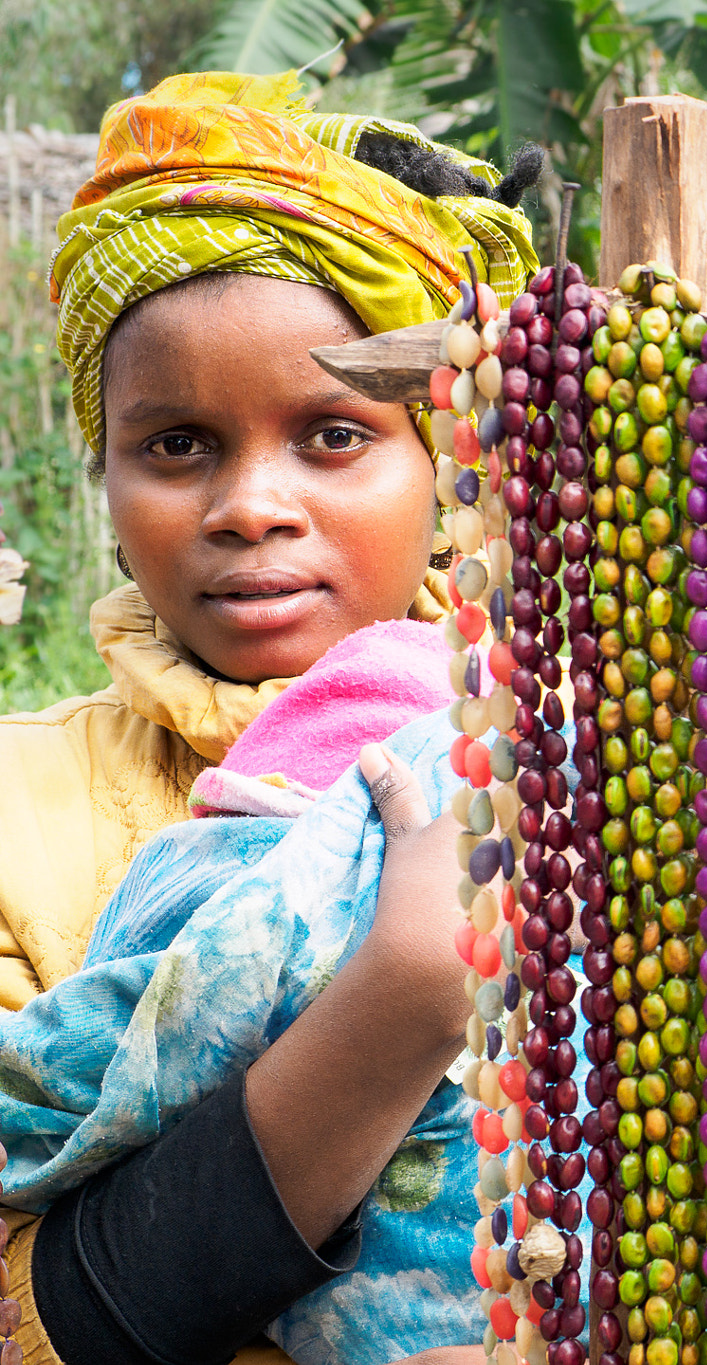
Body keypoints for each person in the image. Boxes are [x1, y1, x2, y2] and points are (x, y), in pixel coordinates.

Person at [0, 69, 543, 1365]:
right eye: (179, 442)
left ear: (445, 455)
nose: (251, 504)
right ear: (109, 471)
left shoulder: (580, 750)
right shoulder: (22, 814)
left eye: (334, 435)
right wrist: (402, 1001)